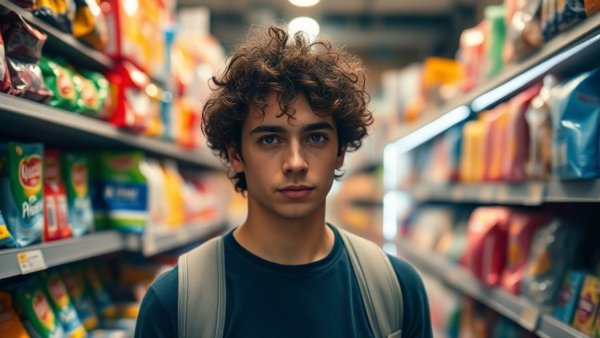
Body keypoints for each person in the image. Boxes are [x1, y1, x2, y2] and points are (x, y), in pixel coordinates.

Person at [134, 25, 433, 338]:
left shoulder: (397, 291)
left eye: (316, 137)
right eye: (270, 140)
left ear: (340, 152)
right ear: (236, 155)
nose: (295, 162)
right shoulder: (175, 304)